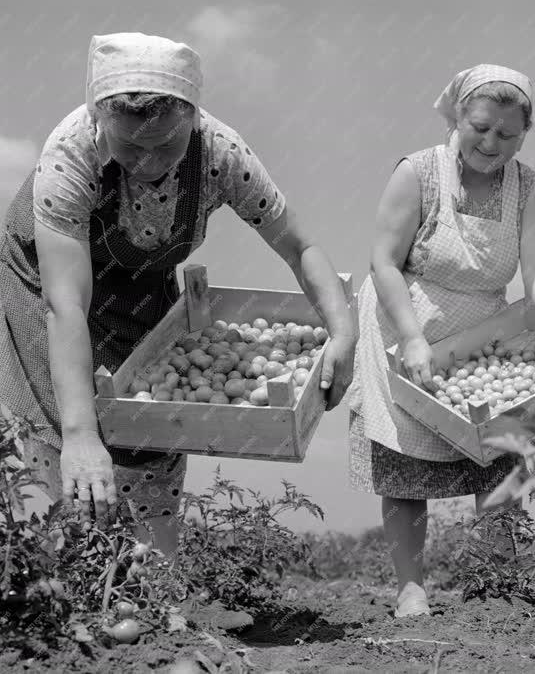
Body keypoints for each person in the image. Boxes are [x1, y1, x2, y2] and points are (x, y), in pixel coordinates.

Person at [0, 32, 355, 556]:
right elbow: (65, 305)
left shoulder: (222, 155)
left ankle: (157, 585)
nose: (147, 162)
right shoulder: (69, 163)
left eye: (166, 144)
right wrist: (80, 436)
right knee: (66, 425)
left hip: (141, 280)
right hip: (47, 282)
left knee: (152, 412)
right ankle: (73, 583)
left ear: (192, 117)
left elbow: (300, 248)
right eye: (129, 146)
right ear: (100, 120)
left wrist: (342, 332)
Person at [347, 64, 535, 617]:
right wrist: (413, 339)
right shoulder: (418, 173)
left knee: (497, 448)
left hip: (480, 330)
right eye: (480, 128)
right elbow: (384, 262)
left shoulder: (527, 186)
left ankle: (493, 580)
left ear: (525, 133)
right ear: (458, 116)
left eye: (507, 135)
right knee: (406, 458)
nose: (491, 143)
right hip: (402, 319)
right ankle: (411, 587)